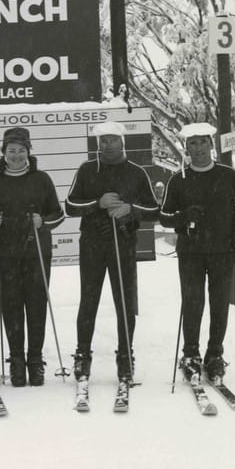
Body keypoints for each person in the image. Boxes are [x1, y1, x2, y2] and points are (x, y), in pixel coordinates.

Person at [159, 123, 235, 383]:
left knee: (219, 304)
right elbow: (164, 216)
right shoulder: (178, 179)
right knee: (192, 303)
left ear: (211, 145)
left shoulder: (227, 175)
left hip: (222, 250)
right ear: (186, 148)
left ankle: (214, 354)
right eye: (192, 143)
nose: (198, 148)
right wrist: (183, 217)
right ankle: (190, 354)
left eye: (203, 142)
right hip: (190, 251)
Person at [64, 121, 160, 382]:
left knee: (125, 302)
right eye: (103, 141)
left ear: (122, 142)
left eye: (113, 140)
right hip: (92, 243)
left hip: (123, 243)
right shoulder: (87, 169)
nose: (108, 146)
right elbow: (70, 206)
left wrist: (131, 209)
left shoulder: (136, 172)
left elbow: (154, 210)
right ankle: (83, 354)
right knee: (89, 300)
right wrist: (98, 203)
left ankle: (125, 355)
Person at [0, 127, 64, 387]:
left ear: (29, 151)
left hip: (36, 252)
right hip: (6, 253)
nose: (16, 155)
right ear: (3, 152)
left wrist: (43, 221)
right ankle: (16, 360)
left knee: (36, 305)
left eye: (21, 150)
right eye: (11, 151)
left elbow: (58, 214)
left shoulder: (41, 179)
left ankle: (35, 360)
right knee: (11, 306)